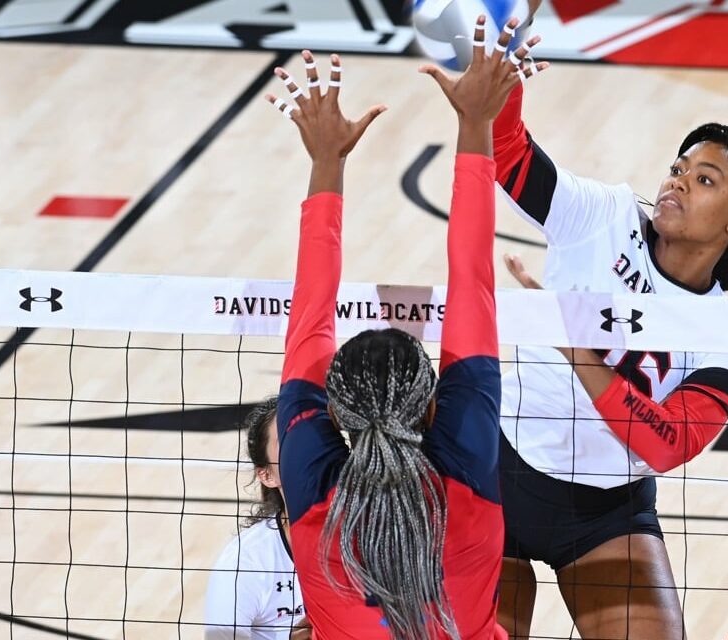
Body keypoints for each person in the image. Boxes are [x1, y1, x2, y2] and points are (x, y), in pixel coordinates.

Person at [485, 8, 728, 639]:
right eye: (679, 168)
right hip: (496, 476)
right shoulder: (600, 217)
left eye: (704, 179)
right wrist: (503, 87)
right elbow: (508, 154)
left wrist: (580, 352)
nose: (678, 182)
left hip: (605, 513)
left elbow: (665, 445)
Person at [266, 21, 547, 639]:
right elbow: (473, 277)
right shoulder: (464, 467)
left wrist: (325, 165)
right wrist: (477, 125)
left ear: (334, 413)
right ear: (430, 409)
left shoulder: (312, 483)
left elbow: (309, 325)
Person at [204, 398, 309, 639]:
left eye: (312, 437)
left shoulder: (370, 538)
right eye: (289, 441)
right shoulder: (246, 562)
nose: (305, 449)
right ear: (267, 475)